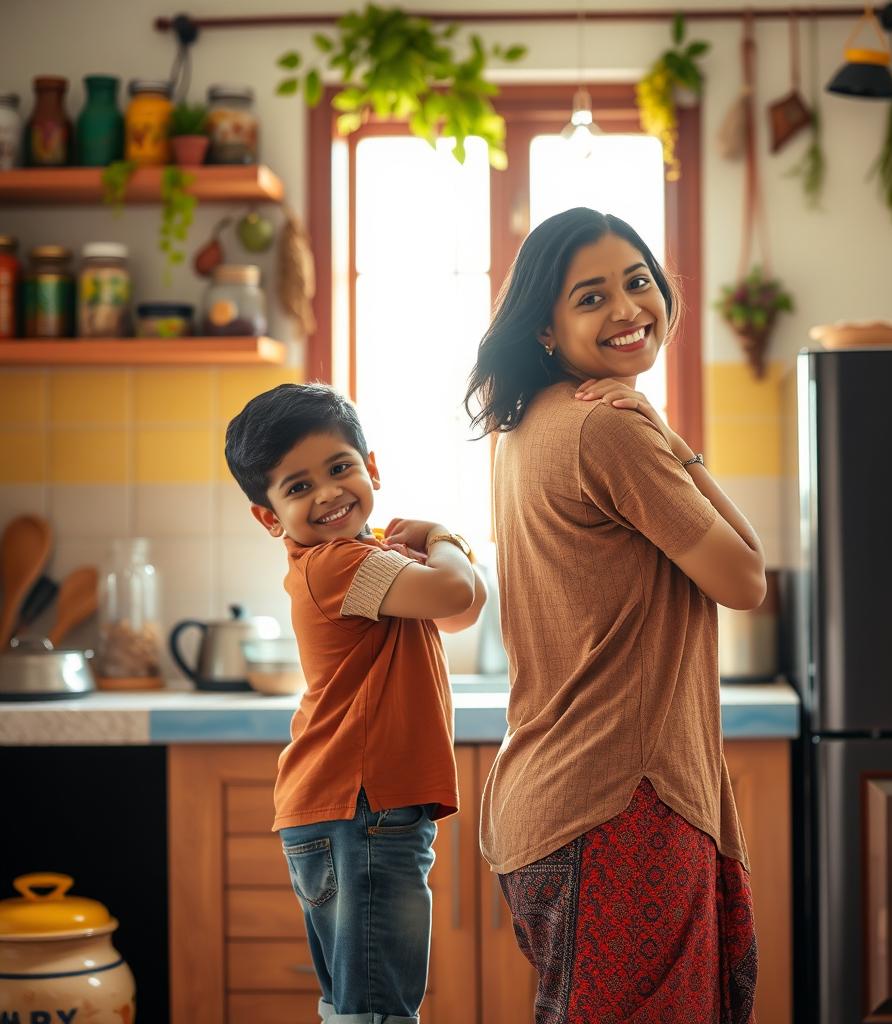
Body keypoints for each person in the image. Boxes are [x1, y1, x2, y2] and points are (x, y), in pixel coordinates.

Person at [465, 207, 766, 1023]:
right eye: (590, 297)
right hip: (620, 804)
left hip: (554, 803)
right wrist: (671, 441)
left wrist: (658, 429)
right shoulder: (608, 428)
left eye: (638, 282)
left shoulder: (527, 427)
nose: (629, 308)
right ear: (547, 330)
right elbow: (744, 578)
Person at [224, 381, 486, 1024]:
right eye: (298, 486)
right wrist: (444, 535)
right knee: (377, 1009)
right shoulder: (339, 564)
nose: (328, 493)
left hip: (355, 808)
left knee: (360, 1004)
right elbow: (455, 594)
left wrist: (436, 549)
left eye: (340, 468)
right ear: (269, 515)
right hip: (361, 806)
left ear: (371, 468)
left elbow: (461, 611)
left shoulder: (365, 558)